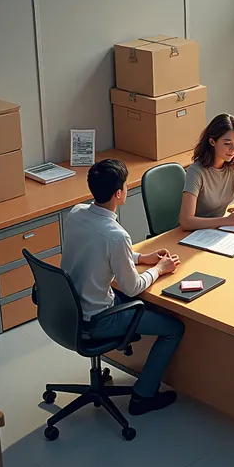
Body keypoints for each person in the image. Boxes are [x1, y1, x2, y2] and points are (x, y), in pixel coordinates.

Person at [61, 159, 185, 415]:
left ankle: (130, 359)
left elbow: (98, 251)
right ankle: (143, 396)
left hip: (71, 308)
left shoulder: (75, 213)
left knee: (140, 305)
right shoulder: (116, 235)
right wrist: (159, 269)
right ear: (119, 193)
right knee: (174, 328)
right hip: (97, 320)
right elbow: (132, 287)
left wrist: (142, 258)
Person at [179, 113, 234, 230]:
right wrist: (226, 220)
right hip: (194, 234)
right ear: (212, 142)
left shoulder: (233, 167)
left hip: (217, 230)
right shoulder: (196, 172)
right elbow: (186, 221)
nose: (233, 149)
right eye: (227, 143)